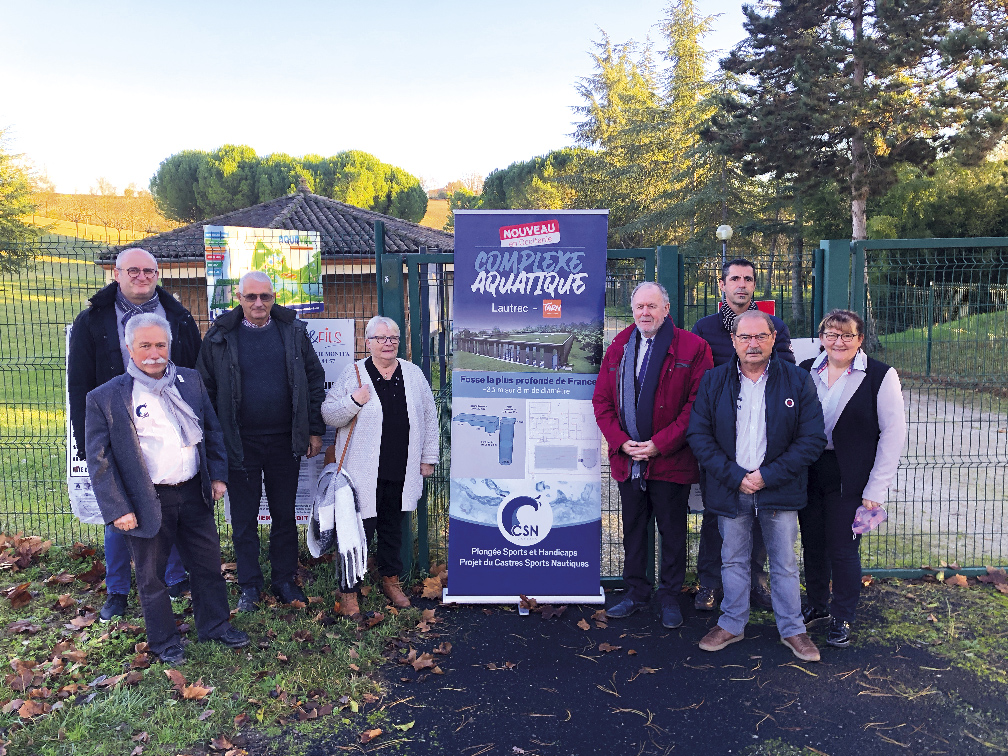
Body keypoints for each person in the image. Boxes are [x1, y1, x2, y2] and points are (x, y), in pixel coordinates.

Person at [84, 313, 249, 664]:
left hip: (193, 492)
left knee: (207, 566)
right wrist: (118, 509)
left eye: (161, 344)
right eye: (145, 345)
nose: (154, 353)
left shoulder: (189, 382)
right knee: (151, 577)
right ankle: (164, 642)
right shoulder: (107, 397)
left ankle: (215, 626)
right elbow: (99, 461)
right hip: (145, 501)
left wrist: (217, 476)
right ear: (129, 348)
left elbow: (213, 431)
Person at [67, 247, 200, 622]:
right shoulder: (92, 321)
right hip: (117, 427)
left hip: (167, 427)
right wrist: (85, 439)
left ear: (157, 274)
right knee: (120, 511)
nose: (142, 277)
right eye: (133, 271)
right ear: (116, 274)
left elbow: (193, 376)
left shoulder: (178, 317)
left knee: (167, 505)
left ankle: (174, 579)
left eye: (149, 271)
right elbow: (79, 386)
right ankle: (118, 590)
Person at [687, 310, 826, 661]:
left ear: (773, 339)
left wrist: (767, 476)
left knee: (783, 564)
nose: (753, 344)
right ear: (733, 341)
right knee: (731, 561)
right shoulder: (713, 381)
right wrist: (736, 477)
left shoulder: (797, 380)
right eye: (745, 337)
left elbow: (811, 440)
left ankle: (793, 630)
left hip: (778, 489)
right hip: (731, 489)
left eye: (760, 336)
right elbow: (699, 436)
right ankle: (732, 623)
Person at [196, 271, 326, 611]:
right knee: (244, 519)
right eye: (251, 297)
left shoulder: (293, 331)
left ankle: (284, 580)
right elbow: (205, 390)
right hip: (239, 445)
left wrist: (314, 430)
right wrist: (215, 442)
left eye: (265, 297)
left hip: (286, 442)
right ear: (238, 297)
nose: (258, 303)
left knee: (284, 516)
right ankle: (249, 586)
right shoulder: (219, 336)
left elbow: (314, 379)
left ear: (274, 297)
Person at [593, 282, 713, 629]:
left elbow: (698, 406)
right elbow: (602, 401)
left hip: (671, 460)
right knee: (633, 529)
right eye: (639, 307)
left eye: (652, 306)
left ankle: (670, 596)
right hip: (628, 460)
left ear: (666, 308)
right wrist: (619, 441)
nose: (645, 313)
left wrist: (661, 443)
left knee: (672, 531)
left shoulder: (694, 347)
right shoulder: (619, 345)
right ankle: (635, 593)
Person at [691, 259, 796, 613]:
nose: (741, 285)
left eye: (748, 279)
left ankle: (755, 581)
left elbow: (787, 377)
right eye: (734, 278)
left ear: (754, 285)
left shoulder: (772, 326)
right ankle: (708, 582)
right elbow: (700, 383)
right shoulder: (704, 329)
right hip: (721, 445)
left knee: (761, 514)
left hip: (763, 441)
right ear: (722, 285)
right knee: (715, 516)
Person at [798, 310, 906, 647]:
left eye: (847, 335)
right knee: (813, 546)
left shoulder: (880, 376)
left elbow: (893, 434)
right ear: (822, 338)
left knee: (843, 549)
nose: (838, 341)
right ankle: (817, 606)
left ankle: (843, 615)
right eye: (831, 334)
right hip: (808, 472)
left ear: (860, 339)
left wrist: (877, 487)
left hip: (853, 479)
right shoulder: (806, 370)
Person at [322, 316, 439, 616]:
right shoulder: (354, 374)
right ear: (368, 342)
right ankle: (348, 590)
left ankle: (390, 580)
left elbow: (429, 418)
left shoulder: (413, 374)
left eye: (393, 338)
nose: (388, 343)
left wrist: (428, 458)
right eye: (381, 338)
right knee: (357, 532)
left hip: (401, 467)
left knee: (392, 528)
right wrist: (354, 402)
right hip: (362, 473)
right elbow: (329, 414)